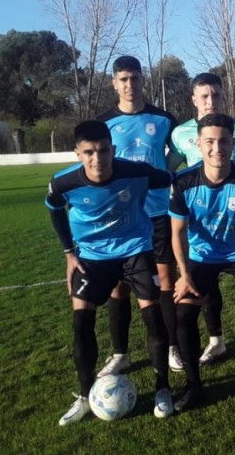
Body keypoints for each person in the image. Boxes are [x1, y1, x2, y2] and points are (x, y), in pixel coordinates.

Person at [46, 120, 174, 426]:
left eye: (103, 151)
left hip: (135, 249)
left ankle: (163, 389)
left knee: (153, 316)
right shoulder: (63, 182)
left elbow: (172, 179)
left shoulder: (137, 172)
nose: (97, 158)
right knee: (81, 322)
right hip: (92, 256)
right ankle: (83, 395)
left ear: (113, 150)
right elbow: (53, 207)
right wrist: (68, 253)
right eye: (88, 152)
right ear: (77, 153)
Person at [169, 114, 235, 411]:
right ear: (199, 144)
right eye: (210, 142)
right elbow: (177, 232)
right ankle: (194, 388)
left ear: (233, 143)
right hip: (202, 255)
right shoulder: (183, 181)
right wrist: (184, 275)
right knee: (183, 316)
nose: (218, 148)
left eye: (224, 141)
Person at [169, 72, 235, 366]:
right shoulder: (178, 133)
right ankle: (216, 340)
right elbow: (170, 168)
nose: (211, 101)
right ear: (194, 99)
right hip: (200, 223)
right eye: (205, 96)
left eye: (217, 95)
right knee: (204, 289)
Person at [96, 56, 182, 375]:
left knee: (164, 282)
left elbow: (179, 152)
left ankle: (171, 346)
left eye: (134, 78)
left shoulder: (163, 119)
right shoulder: (103, 123)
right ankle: (120, 354)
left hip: (158, 212)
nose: (129, 84)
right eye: (123, 79)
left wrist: (165, 174)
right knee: (119, 287)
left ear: (142, 80)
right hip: (120, 217)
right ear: (114, 83)